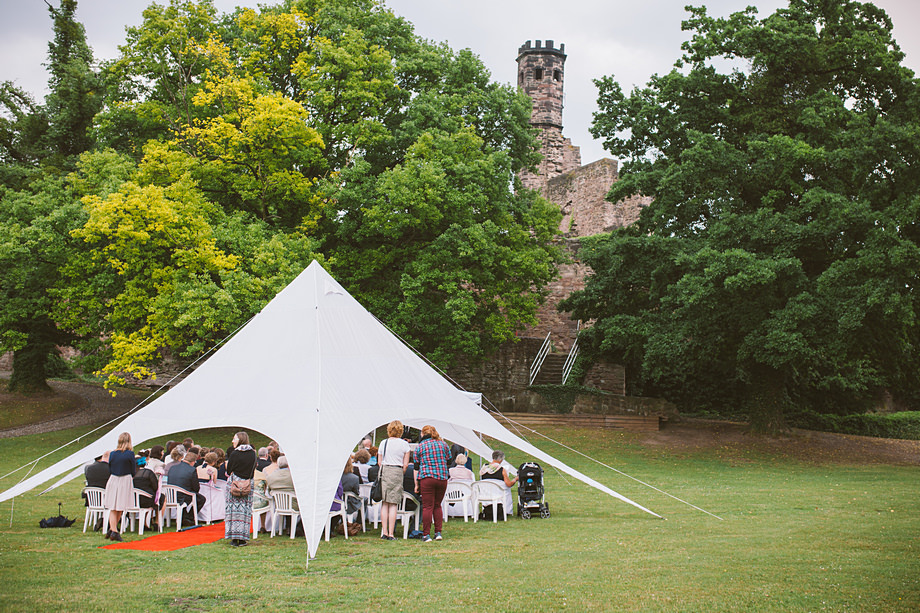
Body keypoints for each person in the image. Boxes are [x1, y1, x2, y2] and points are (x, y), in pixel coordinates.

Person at [414, 425, 451, 542]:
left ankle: (426, 534)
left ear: (423, 434)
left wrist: (416, 484)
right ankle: (438, 532)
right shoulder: (443, 444)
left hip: (427, 477)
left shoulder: (420, 446)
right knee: (437, 505)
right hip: (442, 477)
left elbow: (416, 467)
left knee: (427, 506)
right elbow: (449, 460)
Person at [378, 420, 411, 541]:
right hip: (397, 470)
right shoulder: (404, 444)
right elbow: (406, 464)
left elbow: (379, 461)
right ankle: (391, 533)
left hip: (385, 470)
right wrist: (401, 473)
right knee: (393, 503)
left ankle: (384, 532)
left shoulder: (383, 442)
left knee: (385, 502)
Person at [225, 431, 257, 547]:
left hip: (235, 483)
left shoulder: (235, 453)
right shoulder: (253, 453)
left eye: (234, 439)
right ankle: (243, 538)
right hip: (248, 484)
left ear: (240, 440)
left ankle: (234, 537)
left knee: (233, 511)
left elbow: (229, 470)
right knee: (245, 511)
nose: (232, 441)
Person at [104, 432, 136, 542]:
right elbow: (133, 470)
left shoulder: (112, 454)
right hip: (125, 479)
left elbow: (110, 468)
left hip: (113, 478)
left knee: (114, 506)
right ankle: (114, 531)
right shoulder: (130, 454)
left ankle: (112, 529)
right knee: (119, 506)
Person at [167, 451, 205, 517]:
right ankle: (190, 517)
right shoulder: (192, 470)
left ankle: (184, 517)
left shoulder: (172, 468)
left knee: (188, 494)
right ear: (193, 462)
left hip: (171, 495)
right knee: (201, 499)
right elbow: (196, 487)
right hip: (183, 496)